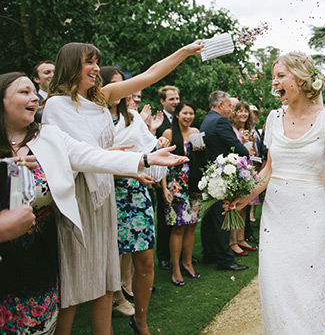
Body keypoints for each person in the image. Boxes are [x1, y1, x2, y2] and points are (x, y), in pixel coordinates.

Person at [0, 72, 187, 335]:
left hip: (39, 258)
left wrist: (144, 160)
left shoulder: (48, 137)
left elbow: (90, 156)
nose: (34, 97)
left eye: (34, 92)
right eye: (24, 92)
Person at [42, 40, 201, 335]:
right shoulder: (56, 105)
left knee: (106, 281)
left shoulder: (103, 97)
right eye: (88, 62)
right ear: (70, 65)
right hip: (77, 198)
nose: (94, 68)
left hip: (106, 196)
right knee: (74, 286)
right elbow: (79, 156)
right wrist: (134, 159)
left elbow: (150, 75)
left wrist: (184, 52)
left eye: (96, 62)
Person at [233, 51, 325, 334]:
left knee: (308, 288)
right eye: (273, 77)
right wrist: (243, 197)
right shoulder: (273, 118)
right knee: (275, 285)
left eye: (280, 76)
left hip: (311, 215)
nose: (274, 83)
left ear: (301, 79)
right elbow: (268, 169)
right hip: (276, 216)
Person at [100, 67, 160, 333]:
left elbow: (149, 149)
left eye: (122, 85)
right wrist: (132, 169)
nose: (121, 90)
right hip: (103, 194)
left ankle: (141, 321)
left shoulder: (133, 118)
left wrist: (157, 160)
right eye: (113, 85)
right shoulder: (90, 117)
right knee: (106, 263)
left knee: (145, 260)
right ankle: (109, 311)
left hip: (136, 193)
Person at [200, 91, 250, 271]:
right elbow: (234, 145)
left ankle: (210, 253)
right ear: (220, 104)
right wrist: (246, 153)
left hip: (210, 173)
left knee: (210, 218)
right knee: (223, 217)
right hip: (221, 174)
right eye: (229, 105)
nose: (231, 109)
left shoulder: (207, 119)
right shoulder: (220, 121)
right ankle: (226, 259)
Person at [161, 101, 203, 287]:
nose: (188, 117)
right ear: (177, 114)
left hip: (193, 184)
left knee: (191, 225)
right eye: (185, 113)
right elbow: (160, 162)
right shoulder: (169, 134)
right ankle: (175, 268)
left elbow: (202, 158)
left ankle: (187, 262)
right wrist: (163, 187)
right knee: (178, 227)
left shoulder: (195, 132)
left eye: (191, 113)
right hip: (175, 185)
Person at [155, 85, 180, 271]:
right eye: (171, 99)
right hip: (163, 176)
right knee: (165, 219)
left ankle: (177, 255)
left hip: (181, 177)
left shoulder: (181, 120)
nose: (175, 102)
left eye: (177, 98)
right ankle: (163, 256)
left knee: (179, 219)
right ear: (162, 101)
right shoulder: (159, 122)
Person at [227, 101, 258, 255]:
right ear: (234, 113)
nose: (243, 114)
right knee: (236, 205)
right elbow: (233, 148)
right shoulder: (231, 129)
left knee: (245, 205)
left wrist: (251, 143)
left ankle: (241, 238)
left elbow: (254, 152)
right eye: (240, 111)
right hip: (237, 169)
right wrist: (243, 142)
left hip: (248, 167)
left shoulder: (247, 129)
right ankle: (233, 242)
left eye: (245, 111)